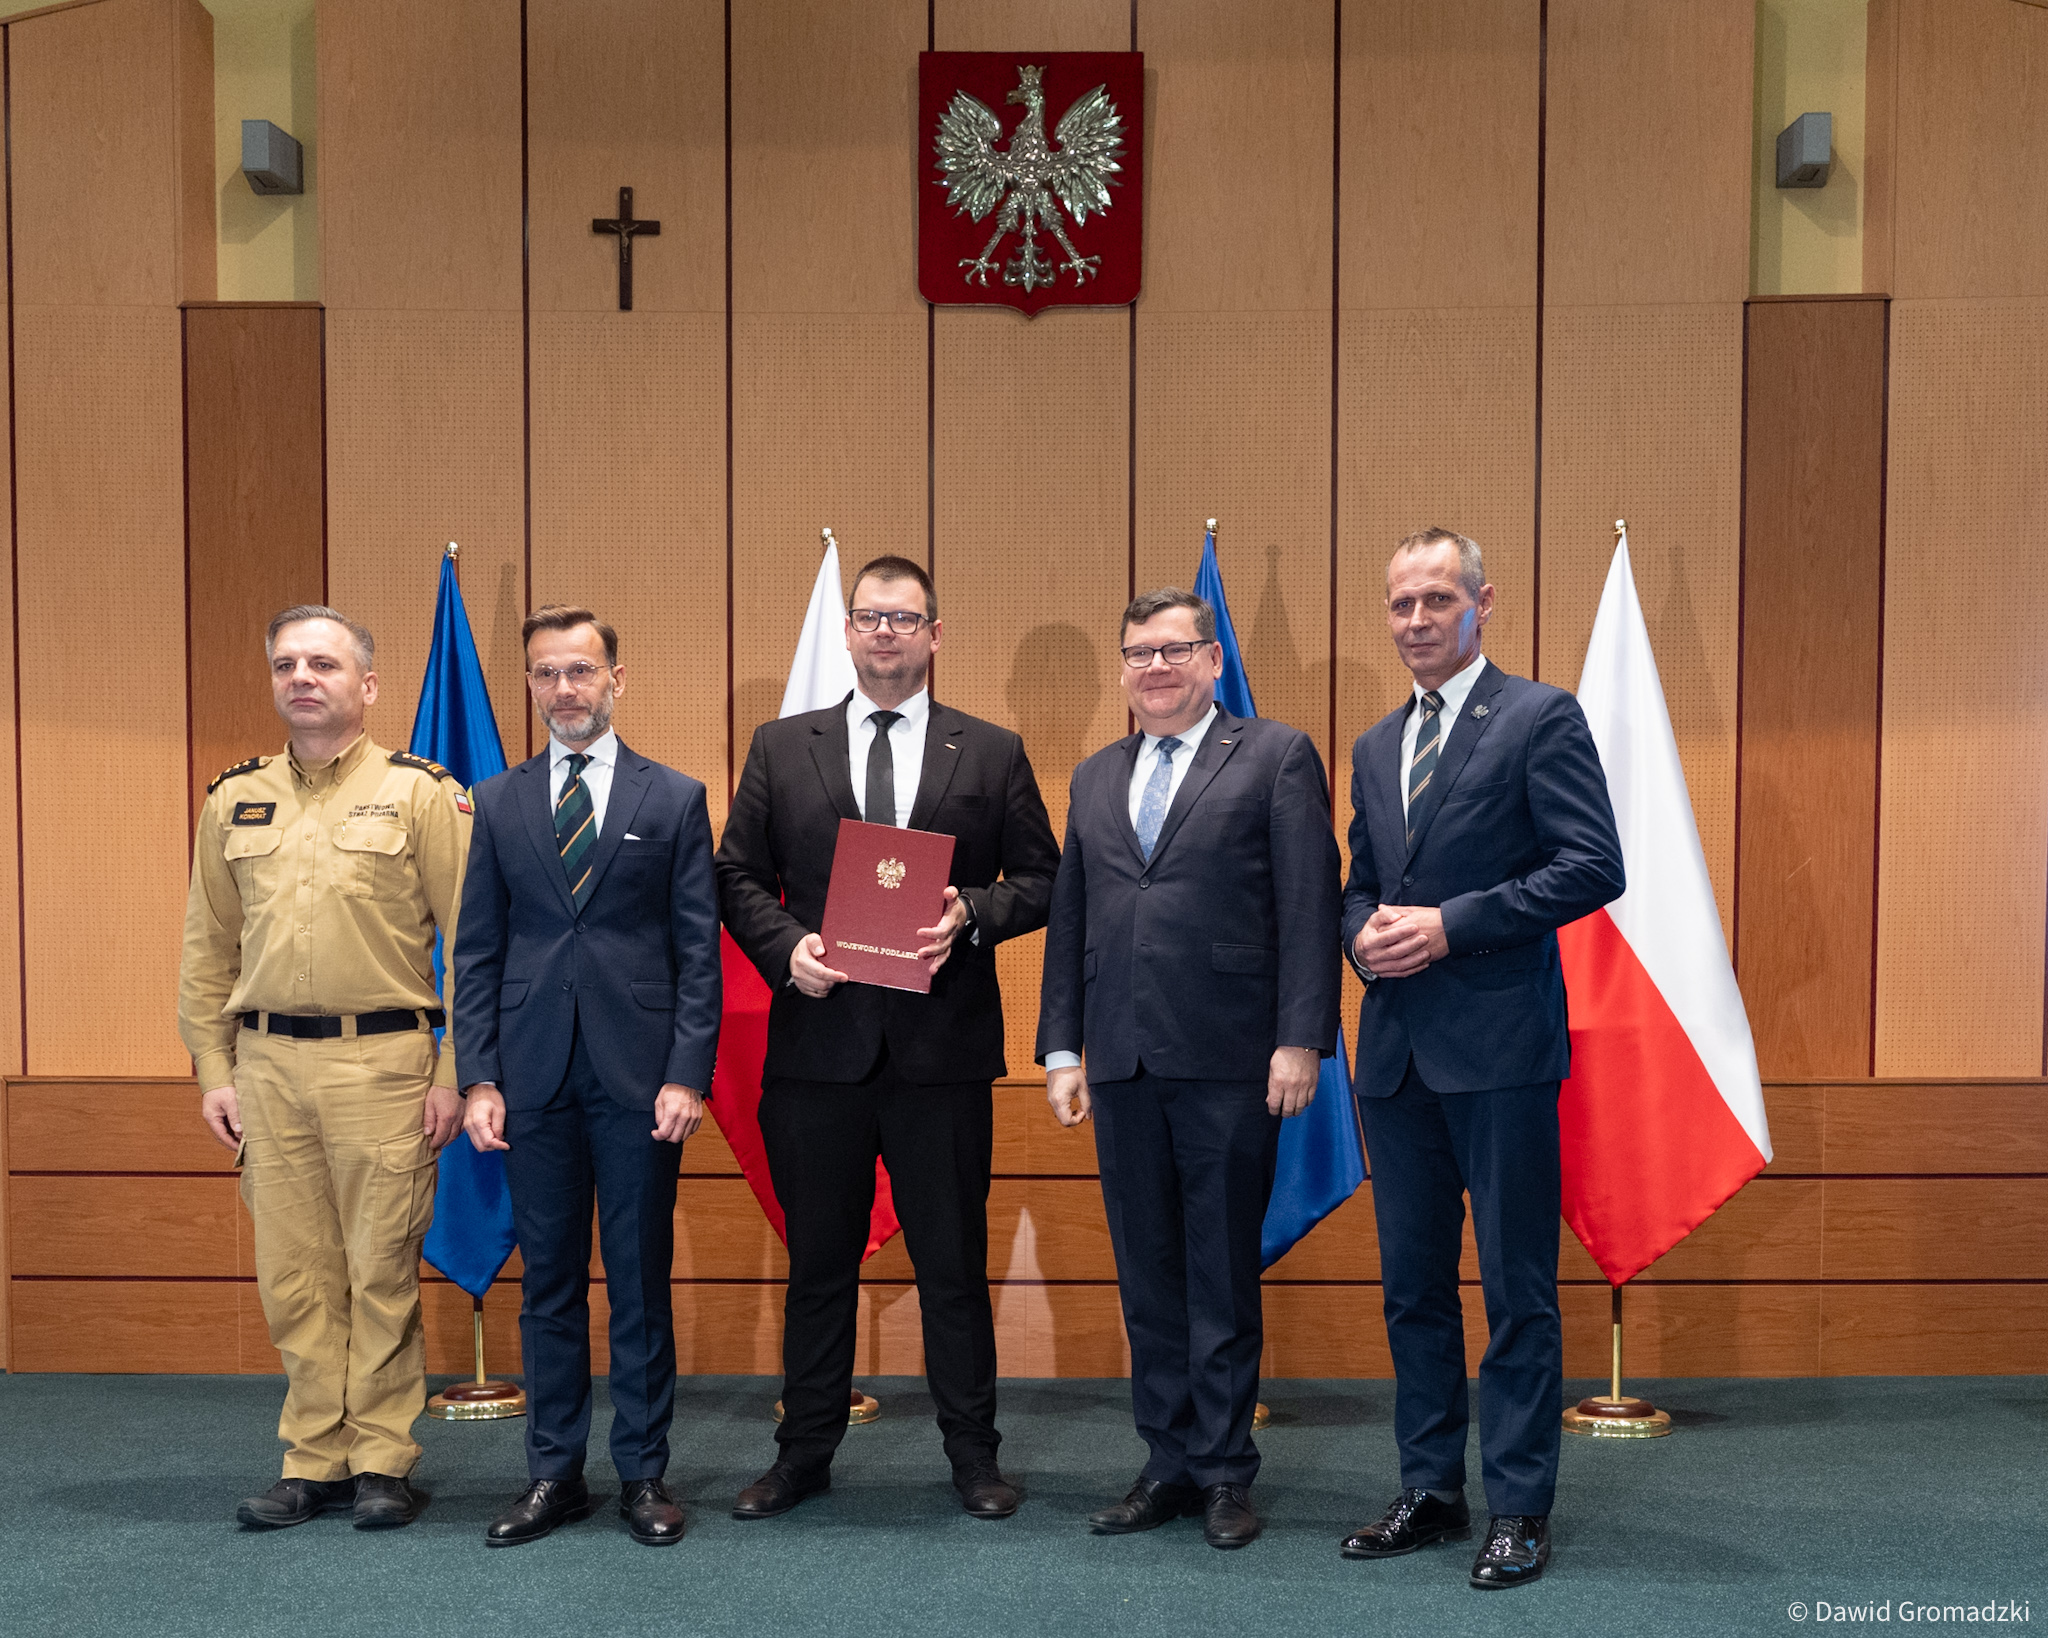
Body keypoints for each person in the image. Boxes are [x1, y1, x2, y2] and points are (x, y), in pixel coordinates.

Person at [716, 554, 1059, 1523]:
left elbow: (1043, 878)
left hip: (938, 1056)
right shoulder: (783, 746)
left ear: (935, 635)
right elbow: (735, 874)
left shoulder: (987, 751)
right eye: (869, 618)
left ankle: (973, 1460)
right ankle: (802, 1455)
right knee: (818, 1266)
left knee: (951, 1266)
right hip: (816, 1050)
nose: (885, 634)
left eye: (904, 620)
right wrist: (787, 949)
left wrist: (972, 914)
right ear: (848, 632)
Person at [1337, 528, 1624, 1590]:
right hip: (1396, 1056)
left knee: (1514, 1290)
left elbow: (1593, 865)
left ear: (1481, 602)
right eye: (1399, 603)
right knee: (1411, 1288)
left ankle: (1517, 1508)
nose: (1415, 620)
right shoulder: (1372, 746)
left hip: (1502, 1053)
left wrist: (1455, 924)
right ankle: (1429, 1491)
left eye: (1435, 600)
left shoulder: (1539, 717)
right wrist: (1357, 933)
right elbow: (1359, 883)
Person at [1037, 587, 1341, 1551]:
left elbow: (1309, 906)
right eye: (1137, 654)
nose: (1154, 668)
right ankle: (1165, 1462)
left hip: (1230, 1061)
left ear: (1213, 661)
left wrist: (1303, 1038)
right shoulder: (1093, 776)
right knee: (1148, 1274)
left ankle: (1223, 1471)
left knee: (1218, 1270)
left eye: (1174, 651)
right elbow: (1072, 921)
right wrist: (1060, 1047)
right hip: (1121, 1062)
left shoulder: (1275, 755)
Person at [179, 605, 470, 1532]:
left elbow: (474, 945)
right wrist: (212, 1069)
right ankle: (314, 1459)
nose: (302, 678)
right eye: (286, 665)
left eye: (324, 665)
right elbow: (206, 948)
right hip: (265, 1067)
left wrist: (454, 1069)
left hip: (383, 1061)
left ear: (367, 686)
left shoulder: (423, 792)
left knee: (379, 1267)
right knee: (295, 1275)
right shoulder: (234, 797)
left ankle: (382, 1456)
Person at [454, 605, 721, 1549]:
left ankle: (644, 1473)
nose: (563, 689)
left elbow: (699, 952)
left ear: (617, 678)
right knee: (550, 1286)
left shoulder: (675, 798)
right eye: (544, 674)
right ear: (529, 688)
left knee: (641, 1281)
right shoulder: (497, 801)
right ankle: (552, 1473)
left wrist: (689, 1073)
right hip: (529, 1080)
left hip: (642, 1080)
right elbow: (477, 954)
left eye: (580, 670)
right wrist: (478, 1077)